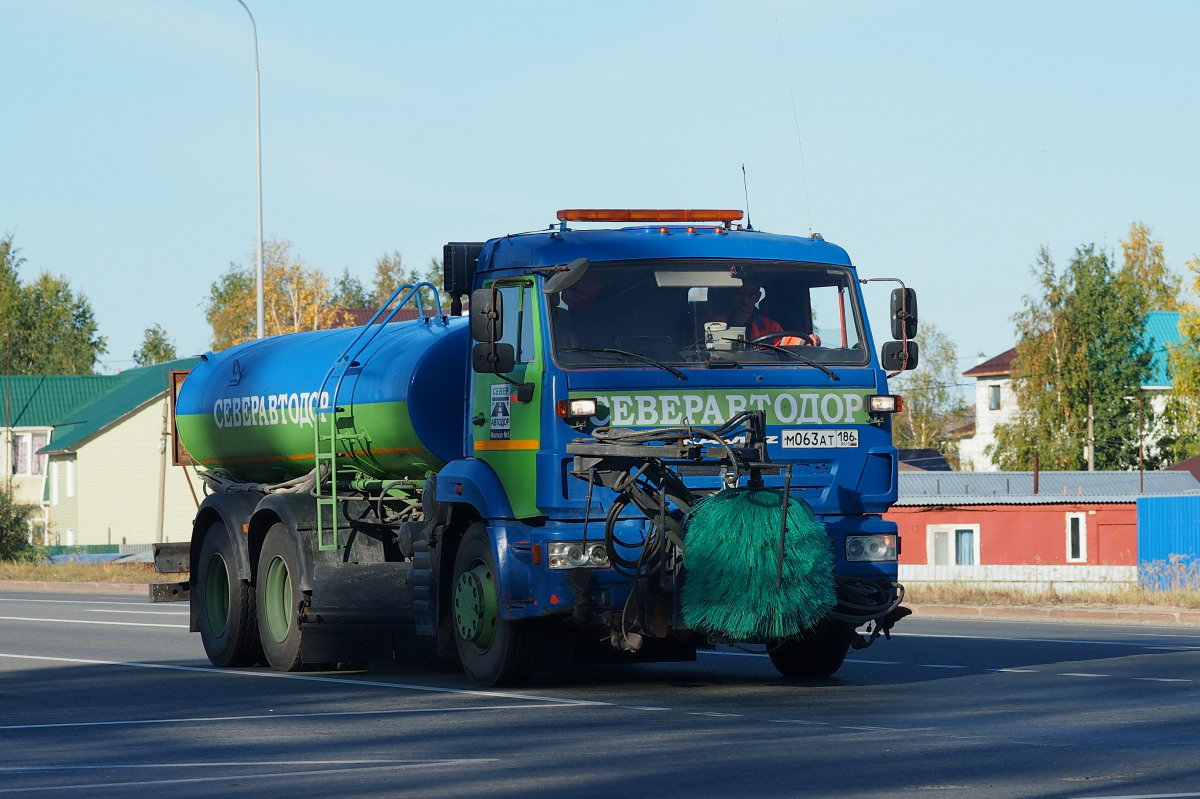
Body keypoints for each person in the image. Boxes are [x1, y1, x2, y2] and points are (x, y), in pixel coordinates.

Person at [715, 279, 820, 346]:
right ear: (731, 296)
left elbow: (785, 342)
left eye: (751, 295)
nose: (745, 301)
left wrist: (806, 341)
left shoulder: (770, 326)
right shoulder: (718, 323)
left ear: (758, 297)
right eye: (740, 294)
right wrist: (736, 325)